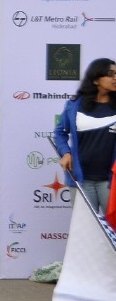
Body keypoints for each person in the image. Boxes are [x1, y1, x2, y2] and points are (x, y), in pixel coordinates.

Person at [55, 58, 116, 215]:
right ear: (96, 79)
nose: (115, 78)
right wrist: (66, 153)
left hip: (111, 182)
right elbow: (60, 132)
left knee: (112, 233)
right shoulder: (75, 105)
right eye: (110, 74)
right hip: (81, 180)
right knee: (87, 232)